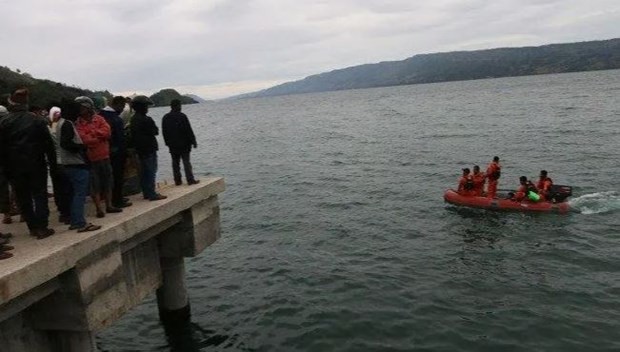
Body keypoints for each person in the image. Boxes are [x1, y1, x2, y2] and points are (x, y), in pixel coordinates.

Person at [0, 88, 56, 239]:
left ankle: (32, 227)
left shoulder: (4, 122)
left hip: (14, 167)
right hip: (36, 164)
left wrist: (5, 169)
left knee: (23, 198)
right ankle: (42, 227)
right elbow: (48, 145)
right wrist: (53, 164)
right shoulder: (37, 120)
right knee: (40, 196)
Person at [57, 100, 102, 232]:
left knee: (74, 193)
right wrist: (82, 146)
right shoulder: (68, 124)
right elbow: (66, 143)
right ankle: (79, 222)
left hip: (67, 163)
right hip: (75, 163)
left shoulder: (60, 123)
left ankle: (75, 219)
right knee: (79, 194)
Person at [75, 96, 122, 217]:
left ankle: (109, 205)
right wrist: (98, 136)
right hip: (91, 158)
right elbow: (83, 139)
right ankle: (98, 209)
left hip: (105, 155)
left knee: (108, 181)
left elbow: (107, 132)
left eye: (82, 107)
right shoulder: (78, 123)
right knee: (94, 184)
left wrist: (92, 134)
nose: (80, 109)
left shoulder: (99, 119)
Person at [130, 95, 167, 201]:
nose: (147, 108)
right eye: (146, 106)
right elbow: (155, 131)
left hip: (140, 149)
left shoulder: (133, 120)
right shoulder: (146, 119)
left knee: (144, 172)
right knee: (151, 171)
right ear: (141, 107)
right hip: (149, 148)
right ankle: (152, 193)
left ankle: (147, 192)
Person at [100, 96, 132, 208]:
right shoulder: (115, 119)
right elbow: (119, 138)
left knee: (110, 177)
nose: (123, 109)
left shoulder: (101, 115)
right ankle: (117, 200)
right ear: (117, 104)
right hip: (117, 153)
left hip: (105, 151)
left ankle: (115, 198)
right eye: (122, 106)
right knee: (118, 176)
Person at [162, 99, 199, 186]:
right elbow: (188, 130)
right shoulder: (182, 116)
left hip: (172, 144)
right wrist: (193, 141)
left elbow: (164, 132)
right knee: (186, 162)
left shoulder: (166, 117)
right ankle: (190, 180)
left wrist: (167, 143)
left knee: (175, 163)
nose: (180, 107)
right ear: (177, 106)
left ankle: (177, 181)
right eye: (180, 105)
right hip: (184, 144)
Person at [48, 106, 72, 224]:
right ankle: (68, 214)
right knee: (67, 189)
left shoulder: (49, 128)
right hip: (64, 162)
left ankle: (63, 213)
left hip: (53, 163)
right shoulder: (64, 126)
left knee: (58, 190)